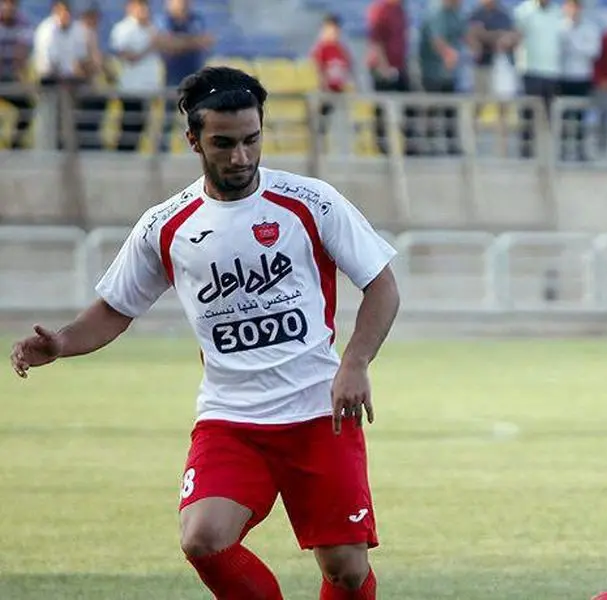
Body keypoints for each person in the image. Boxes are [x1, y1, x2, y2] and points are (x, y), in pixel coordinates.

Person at [8, 66, 401, 600]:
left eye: (251, 140)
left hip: (317, 413)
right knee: (202, 539)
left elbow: (382, 286)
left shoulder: (311, 202)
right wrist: (61, 341)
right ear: (193, 139)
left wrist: (354, 362)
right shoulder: (166, 224)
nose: (240, 157)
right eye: (223, 143)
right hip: (230, 419)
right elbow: (114, 308)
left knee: (346, 572)